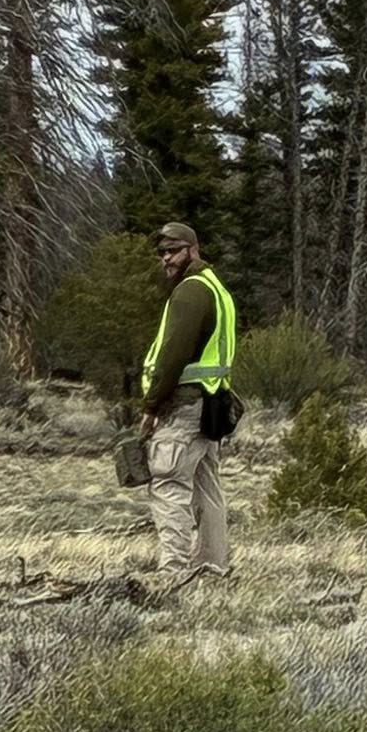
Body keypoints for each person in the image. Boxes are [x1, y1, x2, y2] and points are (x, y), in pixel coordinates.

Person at [139, 221, 237, 577]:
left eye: (173, 251)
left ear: (192, 250)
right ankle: (212, 567)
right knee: (206, 486)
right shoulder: (217, 289)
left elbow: (173, 354)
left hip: (183, 404)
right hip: (211, 403)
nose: (166, 258)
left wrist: (151, 405)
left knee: (169, 482)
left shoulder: (190, 292)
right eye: (163, 252)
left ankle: (173, 570)